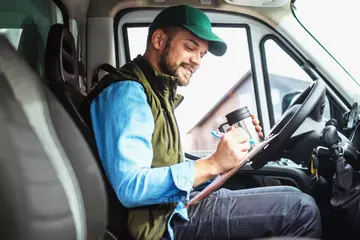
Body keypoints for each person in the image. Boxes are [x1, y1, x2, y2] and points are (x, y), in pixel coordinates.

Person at [89, 5, 321, 240]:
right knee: (301, 209)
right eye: (190, 47)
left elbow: (163, 164)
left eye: (202, 54)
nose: (197, 61)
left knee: (294, 195)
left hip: (173, 207)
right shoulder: (128, 92)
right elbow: (131, 187)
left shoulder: (157, 92)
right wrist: (212, 165)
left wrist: (227, 155)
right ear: (159, 39)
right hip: (160, 226)